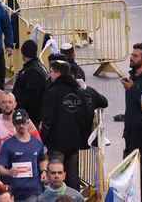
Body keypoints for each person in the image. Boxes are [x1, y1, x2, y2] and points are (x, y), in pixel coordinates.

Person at [38, 61, 91, 191]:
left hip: (56, 143)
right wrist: (83, 139)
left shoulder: (53, 92)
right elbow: (86, 117)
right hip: (74, 142)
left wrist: (43, 140)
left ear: (57, 73)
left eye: (51, 72)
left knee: (56, 176)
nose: (49, 75)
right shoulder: (80, 93)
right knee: (72, 176)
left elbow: (47, 119)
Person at [0, 110, 47, 201]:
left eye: (23, 122)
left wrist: (44, 171)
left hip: (34, 190)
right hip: (15, 190)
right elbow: (0, 168)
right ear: (14, 124)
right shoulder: (7, 144)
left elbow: (42, 159)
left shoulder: (37, 143)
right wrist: (9, 172)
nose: (21, 126)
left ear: (28, 122)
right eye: (18, 123)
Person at [11, 40, 48, 126]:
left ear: (23, 53)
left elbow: (28, 98)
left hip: (30, 119)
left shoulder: (31, 71)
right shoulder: (40, 67)